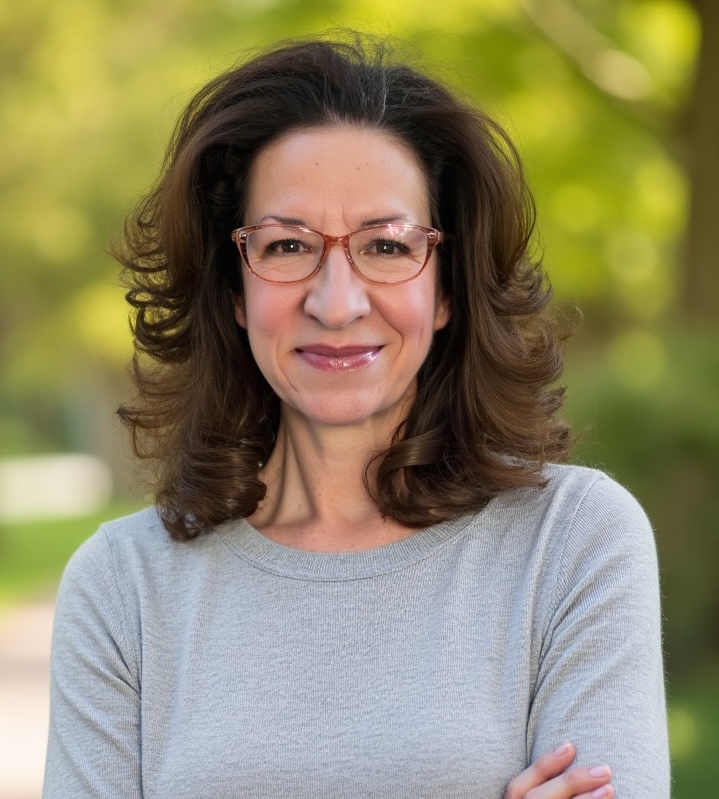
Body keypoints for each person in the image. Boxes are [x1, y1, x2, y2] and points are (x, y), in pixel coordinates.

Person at [43, 35, 669, 799]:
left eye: (385, 245)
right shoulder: (122, 587)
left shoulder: (572, 542)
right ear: (234, 289)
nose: (336, 303)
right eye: (285, 245)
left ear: (446, 288)